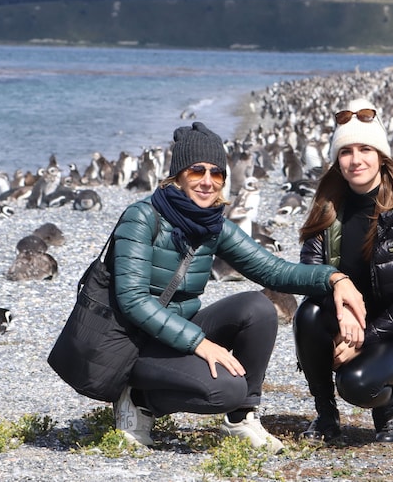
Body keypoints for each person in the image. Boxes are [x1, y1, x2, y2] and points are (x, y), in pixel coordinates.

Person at [109, 121, 366, 453]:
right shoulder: (142, 217)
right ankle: (138, 399)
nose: (207, 181)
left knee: (258, 308)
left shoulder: (212, 225)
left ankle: (242, 419)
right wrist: (200, 343)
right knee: (227, 389)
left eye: (216, 174)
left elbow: (273, 270)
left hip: (175, 334)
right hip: (134, 344)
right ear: (177, 174)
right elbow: (132, 301)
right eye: (197, 170)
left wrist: (334, 278)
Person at [293, 98, 393, 444]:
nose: (355, 159)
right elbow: (311, 275)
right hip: (348, 322)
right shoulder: (328, 210)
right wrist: (343, 317)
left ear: (381, 156)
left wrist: (364, 337)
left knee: (357, 385)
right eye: (346, 151)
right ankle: (325, 416)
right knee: (308, 315)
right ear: (337, 160)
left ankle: (390, 405)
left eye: (365, 149)